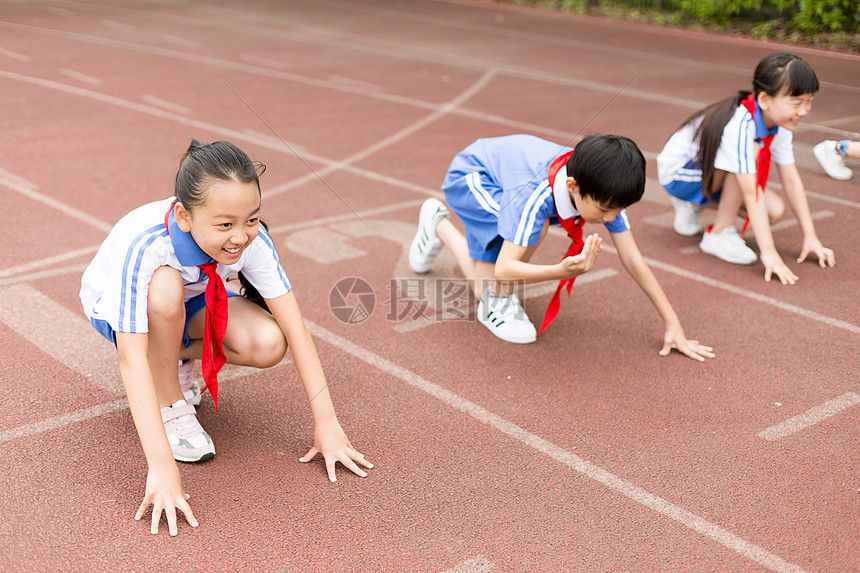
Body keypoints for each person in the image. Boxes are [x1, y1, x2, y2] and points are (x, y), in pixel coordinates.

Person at [80, 140, 372, 536]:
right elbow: (131, 360)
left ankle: (176, 359)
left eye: (252, 219)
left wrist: (328, 424)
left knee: (268, 342)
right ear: (184, 216)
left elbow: (295, 327)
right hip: (123, 309)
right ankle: (170, 401)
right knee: (165, 288)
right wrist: (162, 468)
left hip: (195, 300)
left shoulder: (252, 240)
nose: (240, 236)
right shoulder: (147, 244)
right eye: (225, 225)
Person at [408, 132, 714, 363]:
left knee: (484, 283)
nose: (610, 218)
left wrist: (673, 323)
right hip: (473, 178)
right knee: (506, 265)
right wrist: (559, 271)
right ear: (573, 188)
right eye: (606, 210)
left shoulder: (602, 186)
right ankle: (497, 300)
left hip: (506, 176)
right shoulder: (535, 197)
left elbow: (632, 258)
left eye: (617, 210)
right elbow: (504, 269)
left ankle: (436, 222)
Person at [657, 51, 835, 285]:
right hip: (679, 173)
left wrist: (811, 236)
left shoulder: (780, 123)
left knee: (774, 211)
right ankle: (718, 234)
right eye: (796, 102)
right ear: (764, 100)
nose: (803, 110)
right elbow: (750, 192)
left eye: (809, 101)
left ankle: (693, 205)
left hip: (708, 172)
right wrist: (769, 252)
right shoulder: (740, 126)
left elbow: (791, 181)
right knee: (748, 157)